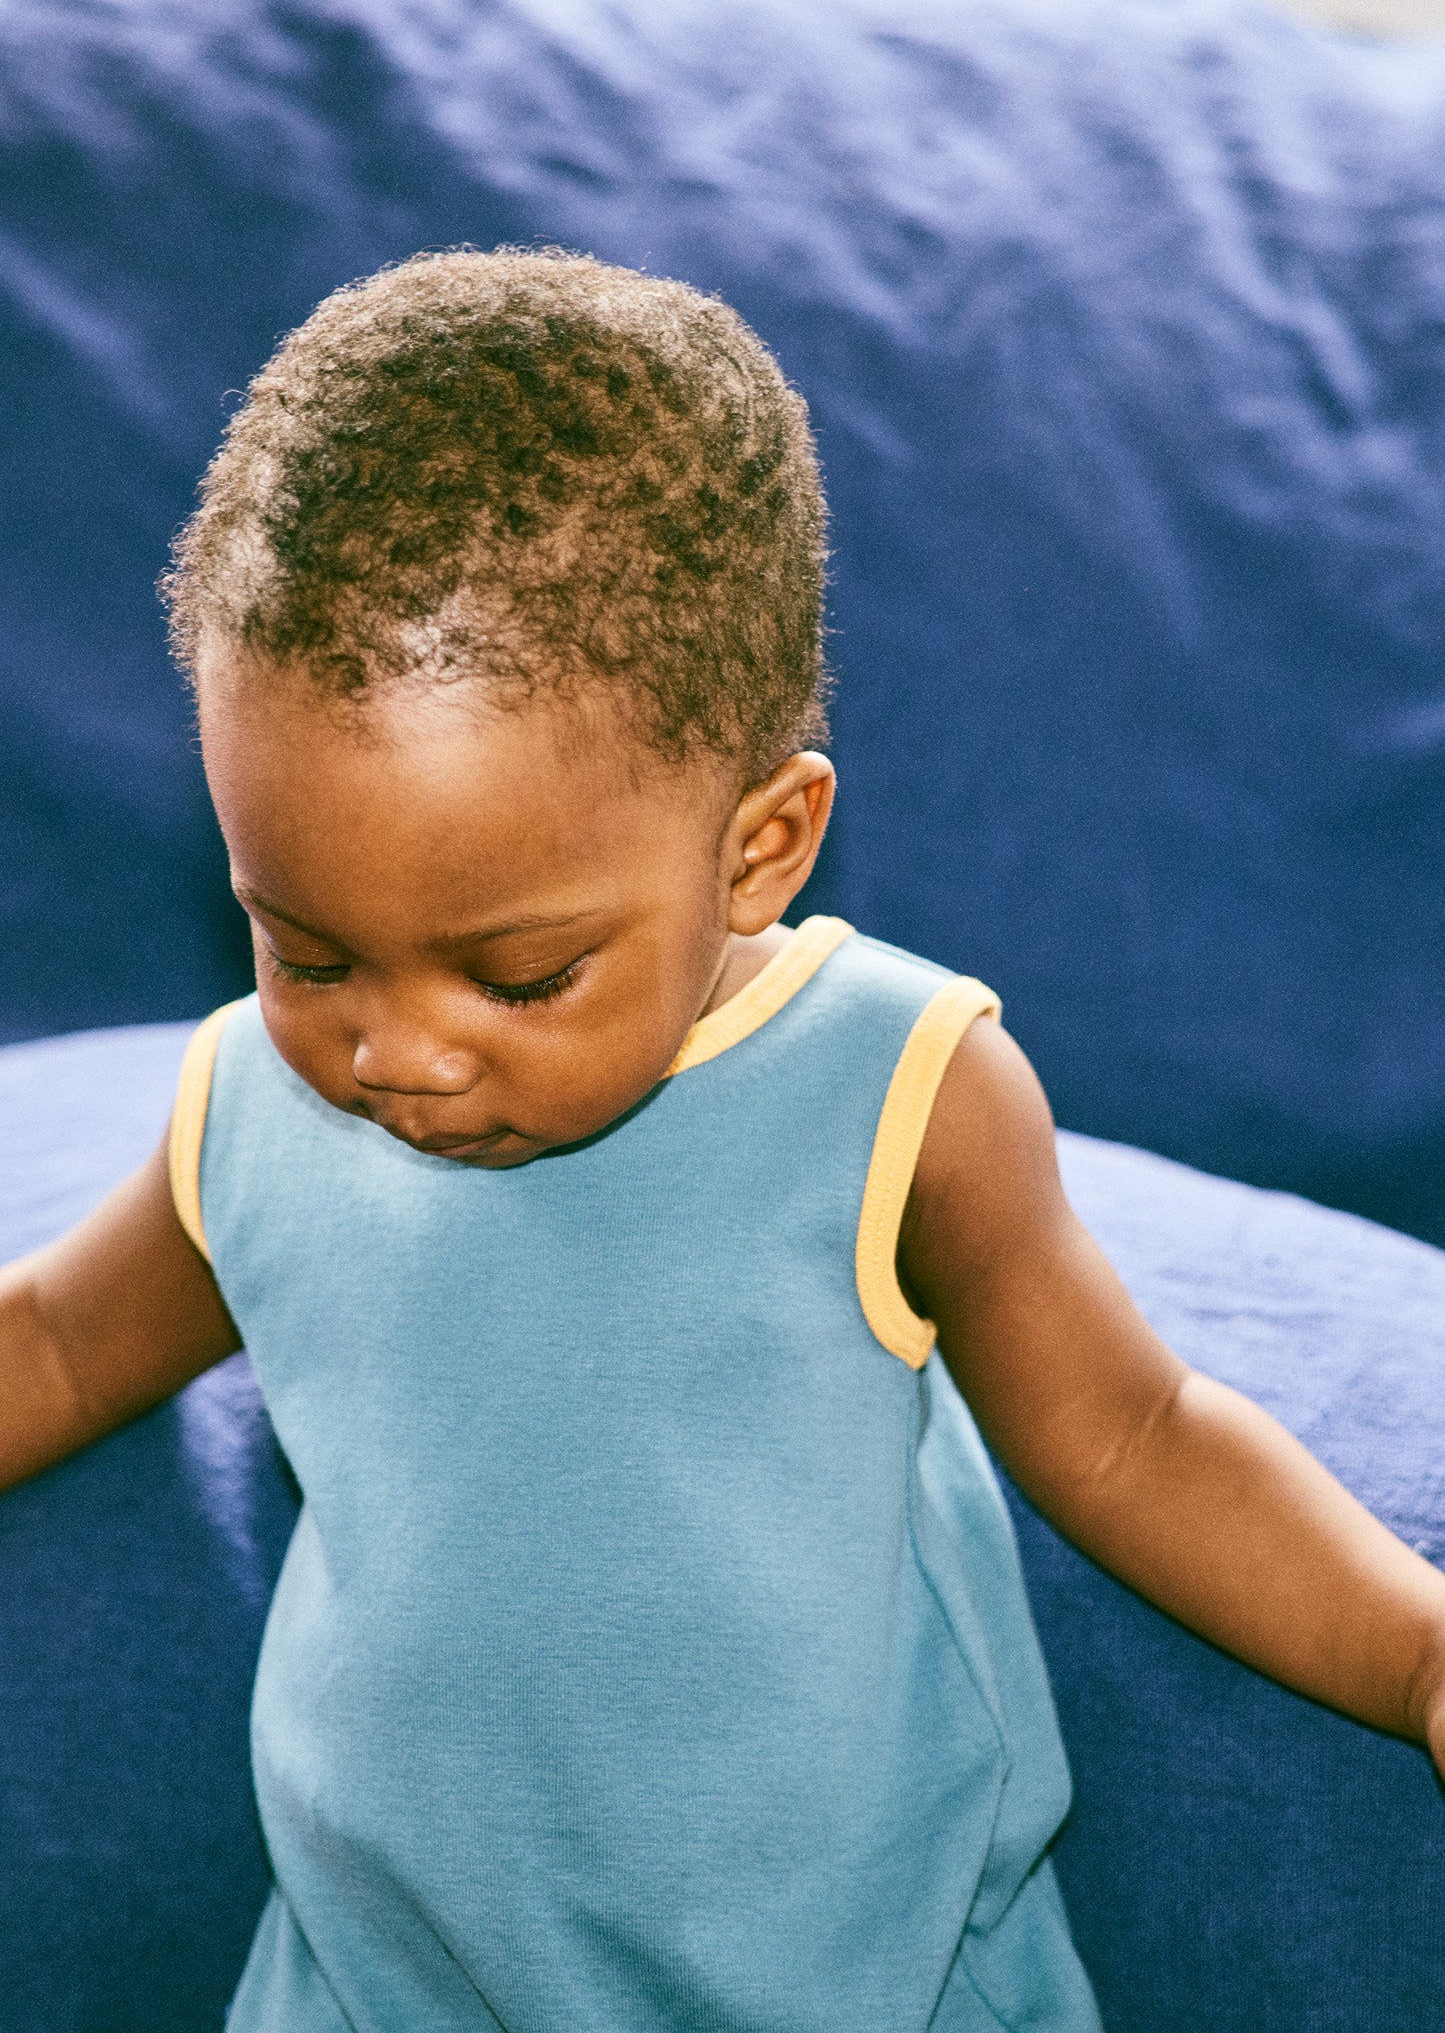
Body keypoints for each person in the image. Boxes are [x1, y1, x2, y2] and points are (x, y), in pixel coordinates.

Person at [3, 247, 1443, 2033]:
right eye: (304, 949)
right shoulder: (254, 1108)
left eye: (519, 976)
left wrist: (1415, 1652)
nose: (397, 1053)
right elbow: (58, 1344)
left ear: (760, 848)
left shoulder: (891, 1091)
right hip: (366, 1992)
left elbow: (1135, 1438)